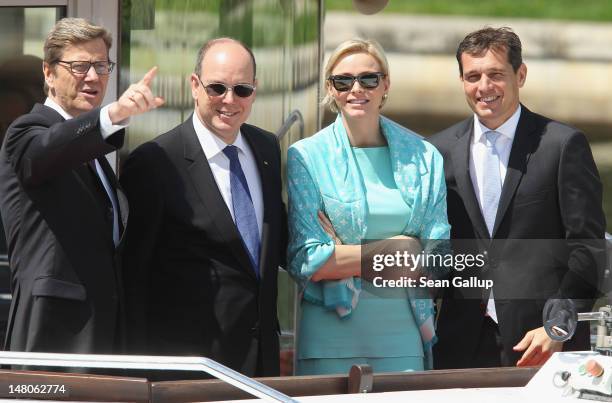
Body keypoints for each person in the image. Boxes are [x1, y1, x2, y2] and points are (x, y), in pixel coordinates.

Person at [429, 27, 606, 369]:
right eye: (473, 76)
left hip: (542, 343)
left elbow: (589, 249)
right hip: (458, 343)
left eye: (496, 74)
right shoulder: (438, 151)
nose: (484, 87)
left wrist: (558, 325)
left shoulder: (562, 145)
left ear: (520, 74)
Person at [121, 38, 286, 378]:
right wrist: (136, 378)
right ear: (194, 86)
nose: (229, 100)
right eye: (217, 87)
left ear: (255, 91)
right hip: (188, 370)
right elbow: (132, 278)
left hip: (261, 366)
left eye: (242, 89)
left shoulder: (266, 148)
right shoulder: (155, 161)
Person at [0, 17, 163, 358]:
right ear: (48, 73)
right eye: (79, 66)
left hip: (103, 333)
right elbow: (48, 150)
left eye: (101, 66)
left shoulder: (95, 155)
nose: (93, 77)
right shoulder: (27, 132)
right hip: (54, 334)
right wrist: (112, 114)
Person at [287, 38, 450, 375]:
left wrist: (344, 254)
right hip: (327, 338)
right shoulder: (306, 156)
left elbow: (438, 258)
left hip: (403, 338)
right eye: (343, 80)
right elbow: (308, 260)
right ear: (331, 89)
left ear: (385, 84)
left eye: (368, 79)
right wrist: (398, 248)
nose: (355, 89)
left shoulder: (425, 156)